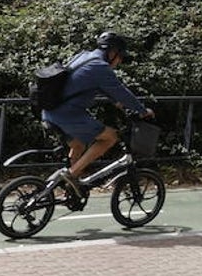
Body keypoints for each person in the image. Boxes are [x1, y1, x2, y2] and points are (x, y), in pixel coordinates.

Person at [41, 31, 154, 206]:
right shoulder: (100, 67)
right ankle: (72, 174)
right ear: (112, 52)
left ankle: (72, 187)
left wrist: (116, 102)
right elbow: (121, 91)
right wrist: (141, 110)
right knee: (110, 137)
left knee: (78, 144)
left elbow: (88, 84)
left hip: (50, 111)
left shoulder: (85, 57)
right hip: (68, 114)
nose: (120, 61)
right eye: (121, 56)